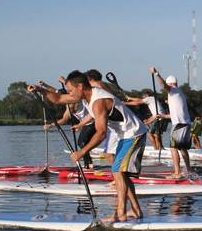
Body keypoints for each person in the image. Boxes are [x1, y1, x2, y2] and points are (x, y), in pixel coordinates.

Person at [29, 70, 147, 222]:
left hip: (134, 133)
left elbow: (101, 133)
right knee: (121, 172)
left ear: (80, 87)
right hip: (123, 135)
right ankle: (136, 211)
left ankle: (120, 214)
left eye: (71, 90)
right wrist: (41, 90)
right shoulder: (86, 96)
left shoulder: (98, 101)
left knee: (117, 170)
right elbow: (57, 98)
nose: (69, 94)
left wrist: (82, 151)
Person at [149, 66, 193, 179]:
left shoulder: (173, 90)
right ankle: (188, 171)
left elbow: (163, 85)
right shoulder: (180, 93)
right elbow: (175, 113)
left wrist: (156, 73)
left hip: (178, 125)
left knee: (173, 148)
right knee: (182, 148)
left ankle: (177, 173)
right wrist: (163, 115)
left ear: (171, 84)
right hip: (186, 124)